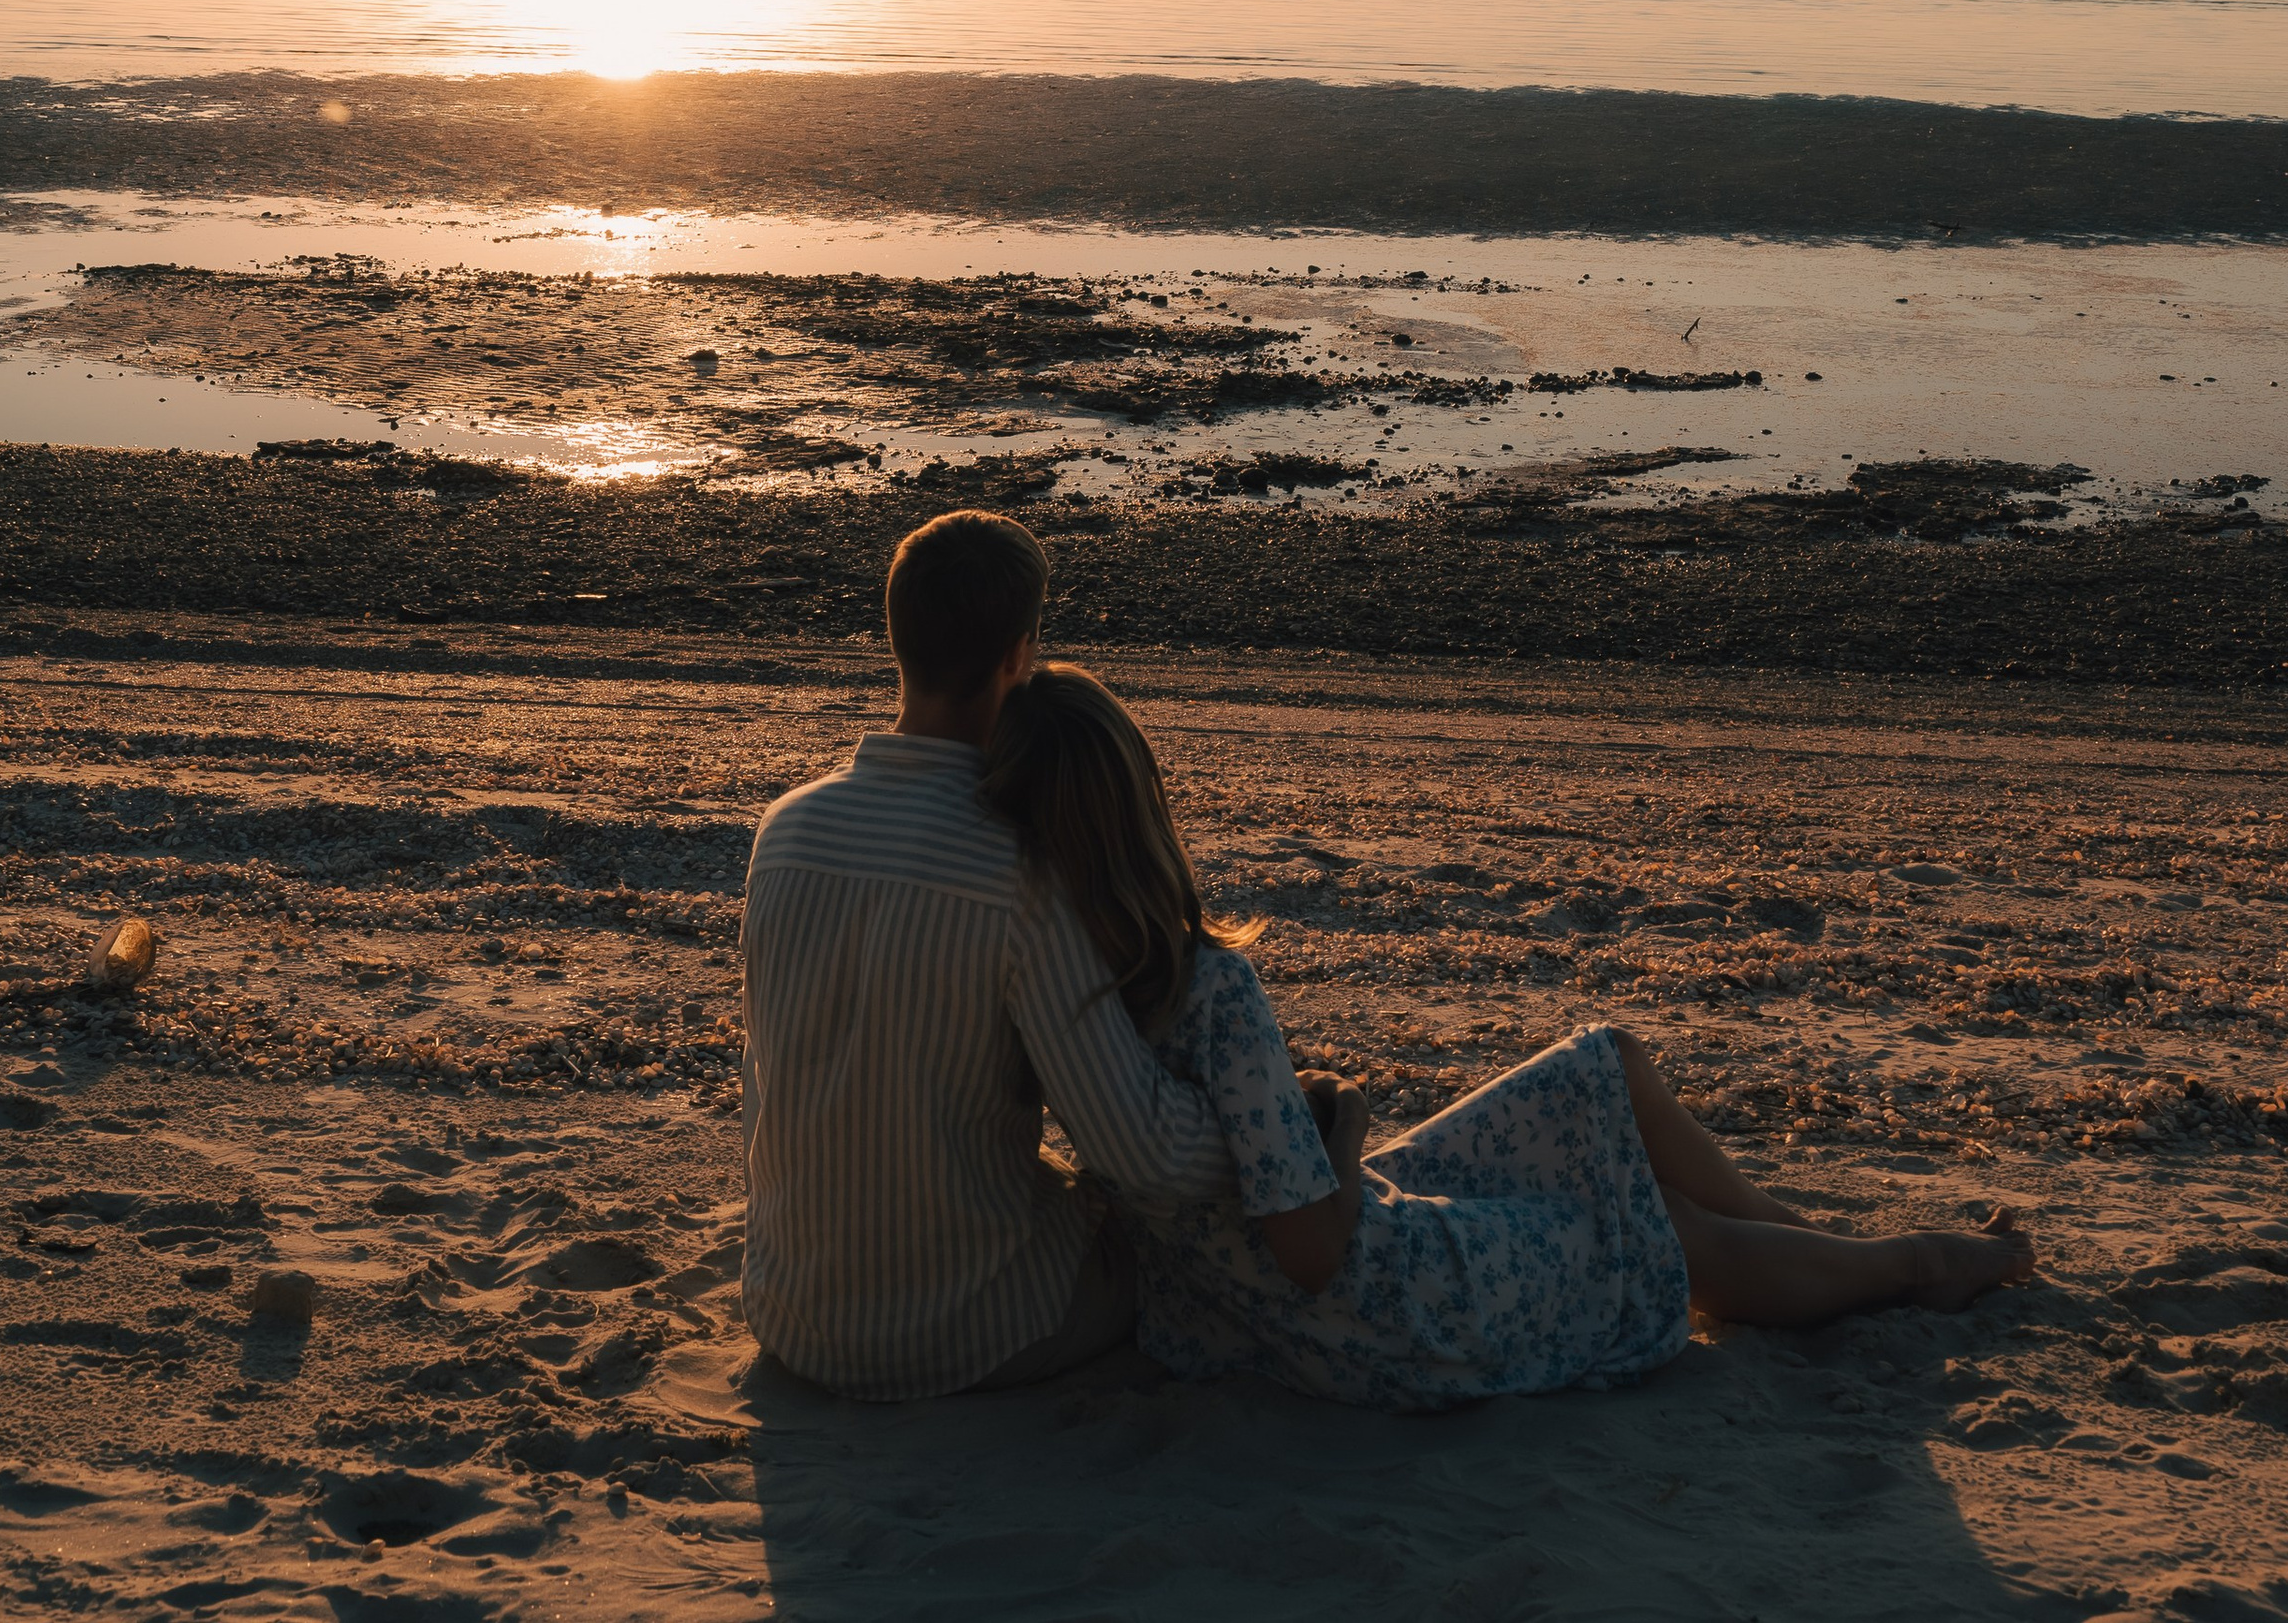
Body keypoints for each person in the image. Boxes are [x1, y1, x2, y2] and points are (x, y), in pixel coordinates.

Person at [981, 663, 2035, 1409]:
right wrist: (1341, 1119)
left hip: (1234, 1305)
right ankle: (1912, 1266)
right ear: (1142, 811)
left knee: (1604, 1064)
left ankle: (1820, 1251)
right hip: (1385, 1310)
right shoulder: (1207, 988)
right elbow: (1313, 1249)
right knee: (1657, 1228)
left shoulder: (1050, 992)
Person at [739, 510, 1235, 1399]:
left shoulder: (785, 832)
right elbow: (1140, 1147)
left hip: (793, 1310)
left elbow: (767, 1085)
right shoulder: (1024, 872)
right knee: (1153, 1238)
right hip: (964, 1329)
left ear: (897, 639)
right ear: (1020, 655)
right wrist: (1263, 1136)